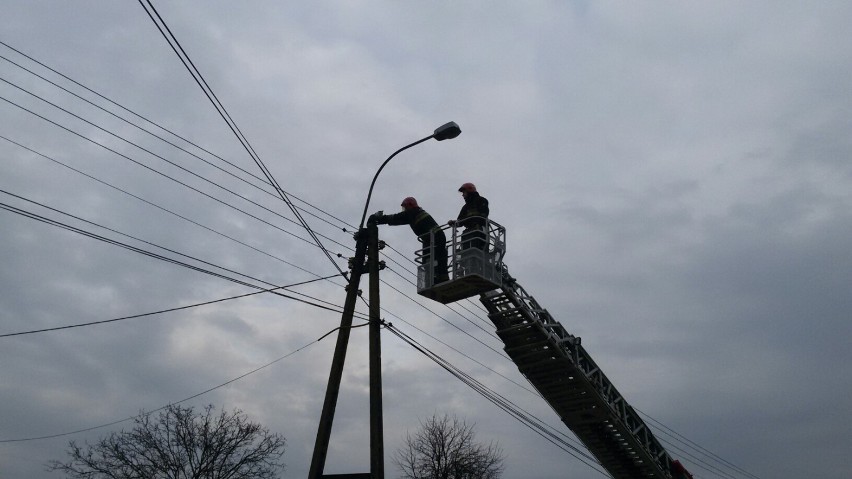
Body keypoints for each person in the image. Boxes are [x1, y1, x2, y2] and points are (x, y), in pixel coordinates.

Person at [369, 197, 450, 284]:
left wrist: (378, 219)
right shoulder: (416, 213)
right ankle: (439, 278)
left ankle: (435, 279)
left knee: (432, 258)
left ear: (410, 205)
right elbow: (399, 219)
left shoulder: (413, 213)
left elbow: (396, 218)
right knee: (434, 258)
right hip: (432, 237)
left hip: (435, 237)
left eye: (405, 207)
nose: (404, 210)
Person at [453, 182, 489, 251]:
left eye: (464, 192)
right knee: (467, 252)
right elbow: (460, 221)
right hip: (469, 232)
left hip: (480, 231)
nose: (463, 195)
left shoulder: (481, 200)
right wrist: (454, 223)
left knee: (478, 251)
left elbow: (483, 215)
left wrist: (468, 219)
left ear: (469, 191)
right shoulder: (465, 207)